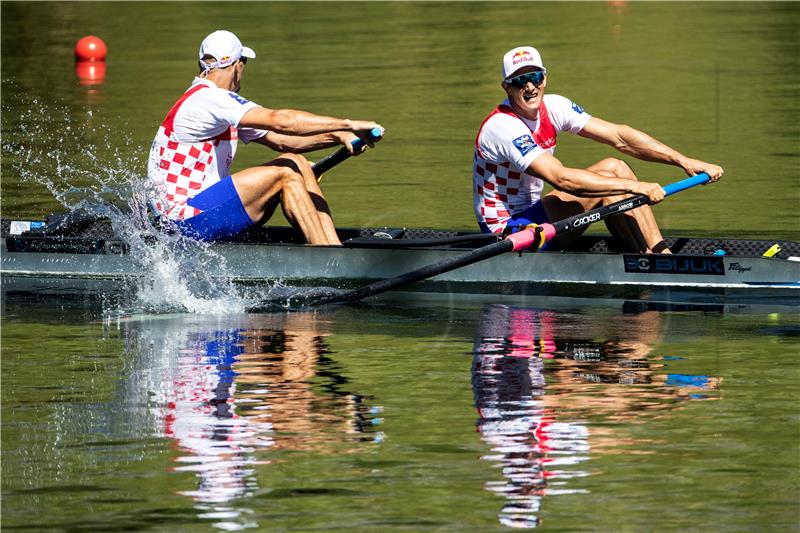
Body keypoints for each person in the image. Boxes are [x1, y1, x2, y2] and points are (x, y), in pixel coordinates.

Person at [473, 46, 724, 252]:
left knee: (614, 167)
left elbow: (620, 137)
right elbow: (562, 179)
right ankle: (653, 259)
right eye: (520, 81)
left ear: (545, 78)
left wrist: (684, 161)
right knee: (612, 184)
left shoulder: (555, 107)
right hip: (508, 234)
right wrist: (635, 186)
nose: (530, 87)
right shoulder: (503, 126)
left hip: (539, 218)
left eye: (535, 77)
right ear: (507, 87)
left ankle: (658, 253)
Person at [148, 30, 383, 244]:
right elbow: (281, 120)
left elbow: (283, 140)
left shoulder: (214, 104)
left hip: (198, 213)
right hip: (183, 221)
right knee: (286, 172)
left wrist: (340, 135)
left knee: (296, 161)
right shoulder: (209, 100)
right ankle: (329, 261)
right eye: (244, 63)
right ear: (236, 65)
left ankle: (331, 247)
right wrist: (349, 123)